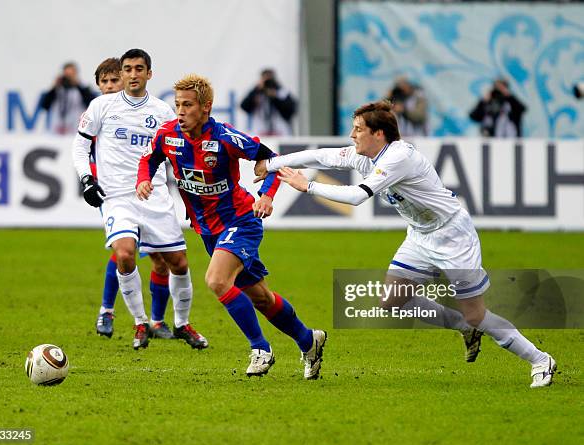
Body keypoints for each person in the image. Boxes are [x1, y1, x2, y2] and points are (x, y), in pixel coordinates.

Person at [255, 100, 556, 388]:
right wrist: (270, 164)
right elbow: (319, 156)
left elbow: (358, 196)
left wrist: (307, 186)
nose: (352, 134)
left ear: (379, 134)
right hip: (420, 235)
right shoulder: (366, 155)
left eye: (358, 129)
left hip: (453, 236)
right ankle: (464, 327)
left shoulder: (399, 157)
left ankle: (540, 360)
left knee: (476, 312)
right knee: (392, 301)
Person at [136, 74, 326, 379]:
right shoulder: (167, 134)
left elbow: (273, 161)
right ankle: (309, 341)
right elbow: (149, 159)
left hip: (241, 221)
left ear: (206, 107)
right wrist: (143, 179)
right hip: (208, 230)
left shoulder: (225, 137)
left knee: (216, 279)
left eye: (187, 105)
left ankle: (260, 349)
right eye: (177, 105)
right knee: (260, 297)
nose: (180, 111)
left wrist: (266, 195)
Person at [72, 49, 207, 350]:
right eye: (128, 69)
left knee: (178, 263)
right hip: (117, 195)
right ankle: (139, 322)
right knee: (123, 253)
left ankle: (182, 324)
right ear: (121, 74)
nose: (133, 74)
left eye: (139, 69)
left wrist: (191, 194)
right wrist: (86, 180)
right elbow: (79, 148)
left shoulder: (162, 112)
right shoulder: (101, 106)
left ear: (149, 73)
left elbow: (179, 156)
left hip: (155, 195)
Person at [41, 62, 96, 135]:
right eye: (67, 75)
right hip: (56, 131)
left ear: (76, 74)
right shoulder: (57, 89)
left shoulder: (83, 88)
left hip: (75, 131)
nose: (69, 78)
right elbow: (44, 106)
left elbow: (91, 105)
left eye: (71, 75)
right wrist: (54, 87)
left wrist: (78, 85)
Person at [240, 68, 297, 136]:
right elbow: (244, 106)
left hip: (281, 132)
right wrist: (256, 90)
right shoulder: (257, 93)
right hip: (260, 132)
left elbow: (291, 110)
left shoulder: (282, 92)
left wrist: (275, 97)